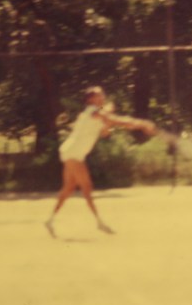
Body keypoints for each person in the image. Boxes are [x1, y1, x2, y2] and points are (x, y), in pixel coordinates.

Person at [45, 86, 156, 237]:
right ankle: (99, 223)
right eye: (99, 95)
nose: (103, 97)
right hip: (74, 153)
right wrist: (142, 124)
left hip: (71, 152)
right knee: (86, 187)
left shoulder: (94, 114)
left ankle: (50, 221)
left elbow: (105, 132)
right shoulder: (92, 111)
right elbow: (116, 120)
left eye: (102, 95)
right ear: (91, 99)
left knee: (69, 188)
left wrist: (111, 121)